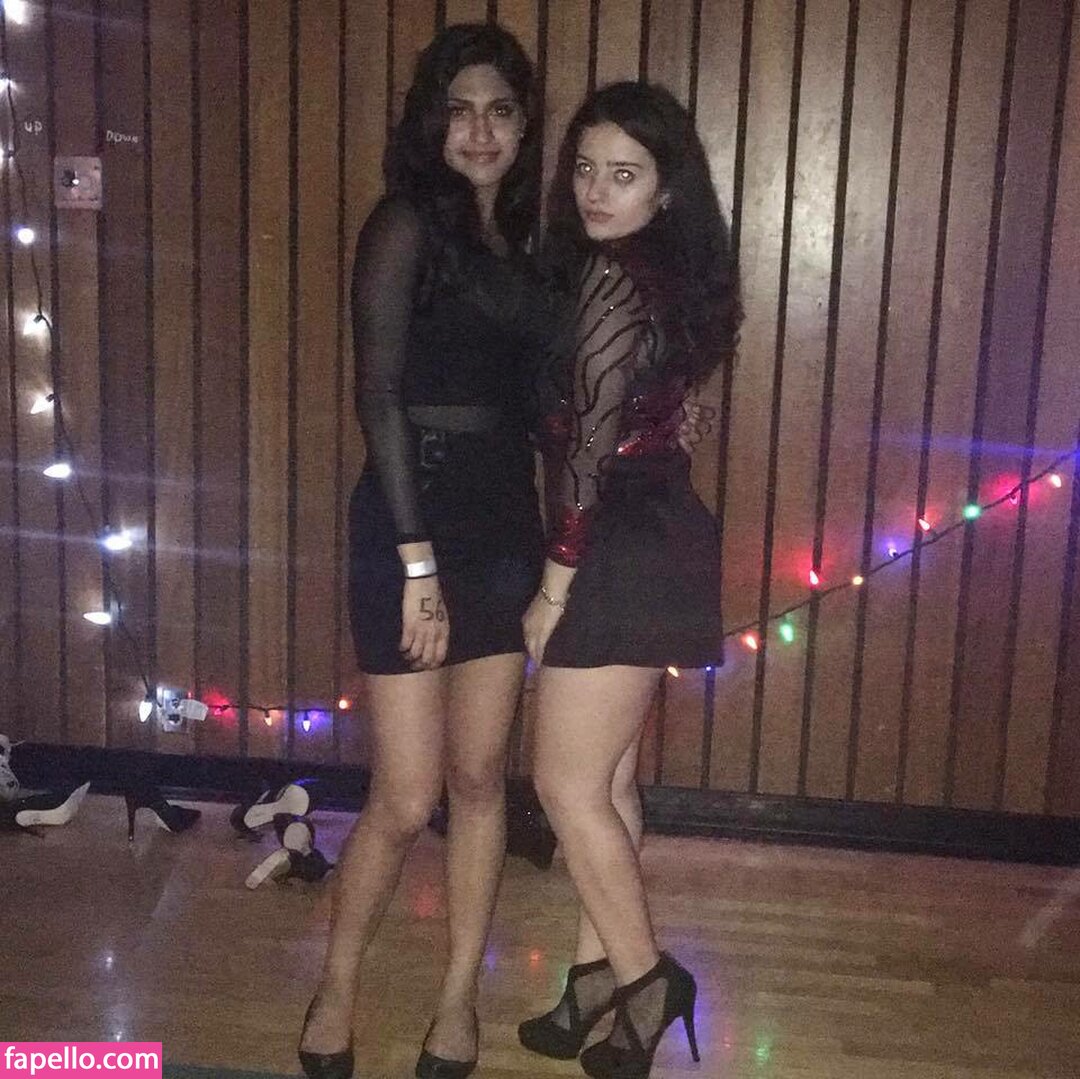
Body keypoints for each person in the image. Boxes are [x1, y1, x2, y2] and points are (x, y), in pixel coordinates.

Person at [298, 24, 548, 1079]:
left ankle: (457, 1004)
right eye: (460, 110)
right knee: (405, 796)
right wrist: (415, 561)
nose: (480, 131)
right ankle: (336, 988)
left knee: (481, 777)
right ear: (430, 122)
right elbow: (380, 395)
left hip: (505, 523)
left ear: (524, 124)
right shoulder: (403, 222)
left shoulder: (531, 238)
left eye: (500, 110)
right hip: (412, 517)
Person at [518, 81, 741, 1079]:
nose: (596, 191)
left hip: (615, 542)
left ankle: (649, 978)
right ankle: (591, 978)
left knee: (564, 783)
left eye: (624, 173)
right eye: (584, 169)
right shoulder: (668, 271)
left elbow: (586, 450)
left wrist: (553, 585)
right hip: (657, 531)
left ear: (664, 187)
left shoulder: (613, 277)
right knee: (605, 779)